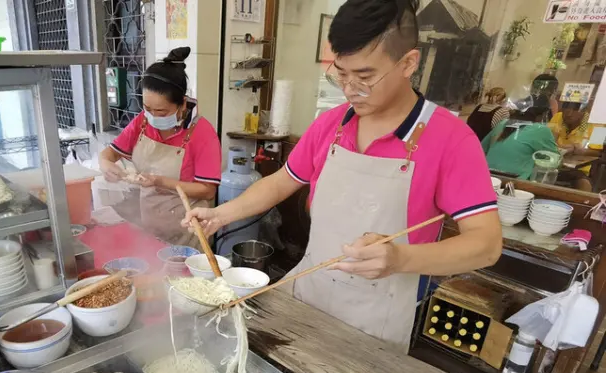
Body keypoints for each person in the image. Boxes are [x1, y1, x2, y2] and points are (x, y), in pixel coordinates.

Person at [183, 0, 502, 352]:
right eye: (341, 74)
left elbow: (486, 245)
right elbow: (281, 182)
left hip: (374, 316)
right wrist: (219, 214)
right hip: (309, 290)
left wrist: (401, 259)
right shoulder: (331, 124)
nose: (351, 90)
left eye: (365, 77)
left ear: (408, 63)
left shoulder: (451, 139)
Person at [99, 47, 221, 247]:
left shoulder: (203, 134)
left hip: (186, 232)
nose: (153, 117)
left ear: (182, 104)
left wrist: (160, 181)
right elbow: (109, 154)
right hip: (150, 228)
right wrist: (105, 164)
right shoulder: (142, 122)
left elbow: (207, 191)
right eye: (147, 109)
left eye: (162, 112)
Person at [481, 107, 558, 179]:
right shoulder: (540, 129)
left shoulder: (503, 123)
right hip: (517, 181)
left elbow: (482, 148)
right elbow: (555, 161)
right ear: (540, 117)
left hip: (487, 175)